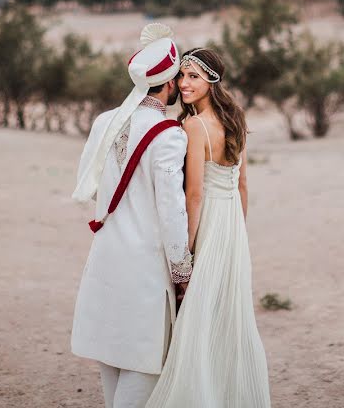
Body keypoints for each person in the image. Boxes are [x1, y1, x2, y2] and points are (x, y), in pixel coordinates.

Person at [71, 24, 194, 408]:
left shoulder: (104, 121)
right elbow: (172, 210)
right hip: (145, 270)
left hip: (105, 259)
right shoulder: (169, 134)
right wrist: (182, 271)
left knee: (110, 360)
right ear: (170, 83)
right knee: (143, 369)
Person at [146, 47, 271, 408]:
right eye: (181, 76)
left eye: (193, 77)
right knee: (229, 315)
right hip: (232, 224)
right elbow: (242, 184)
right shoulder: (235, 118)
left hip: (210, 222)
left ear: (211, 81)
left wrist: (185, 250)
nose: (184, 83)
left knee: (198, 316)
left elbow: (194, 196)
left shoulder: (193, 126)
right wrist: (237, 235)